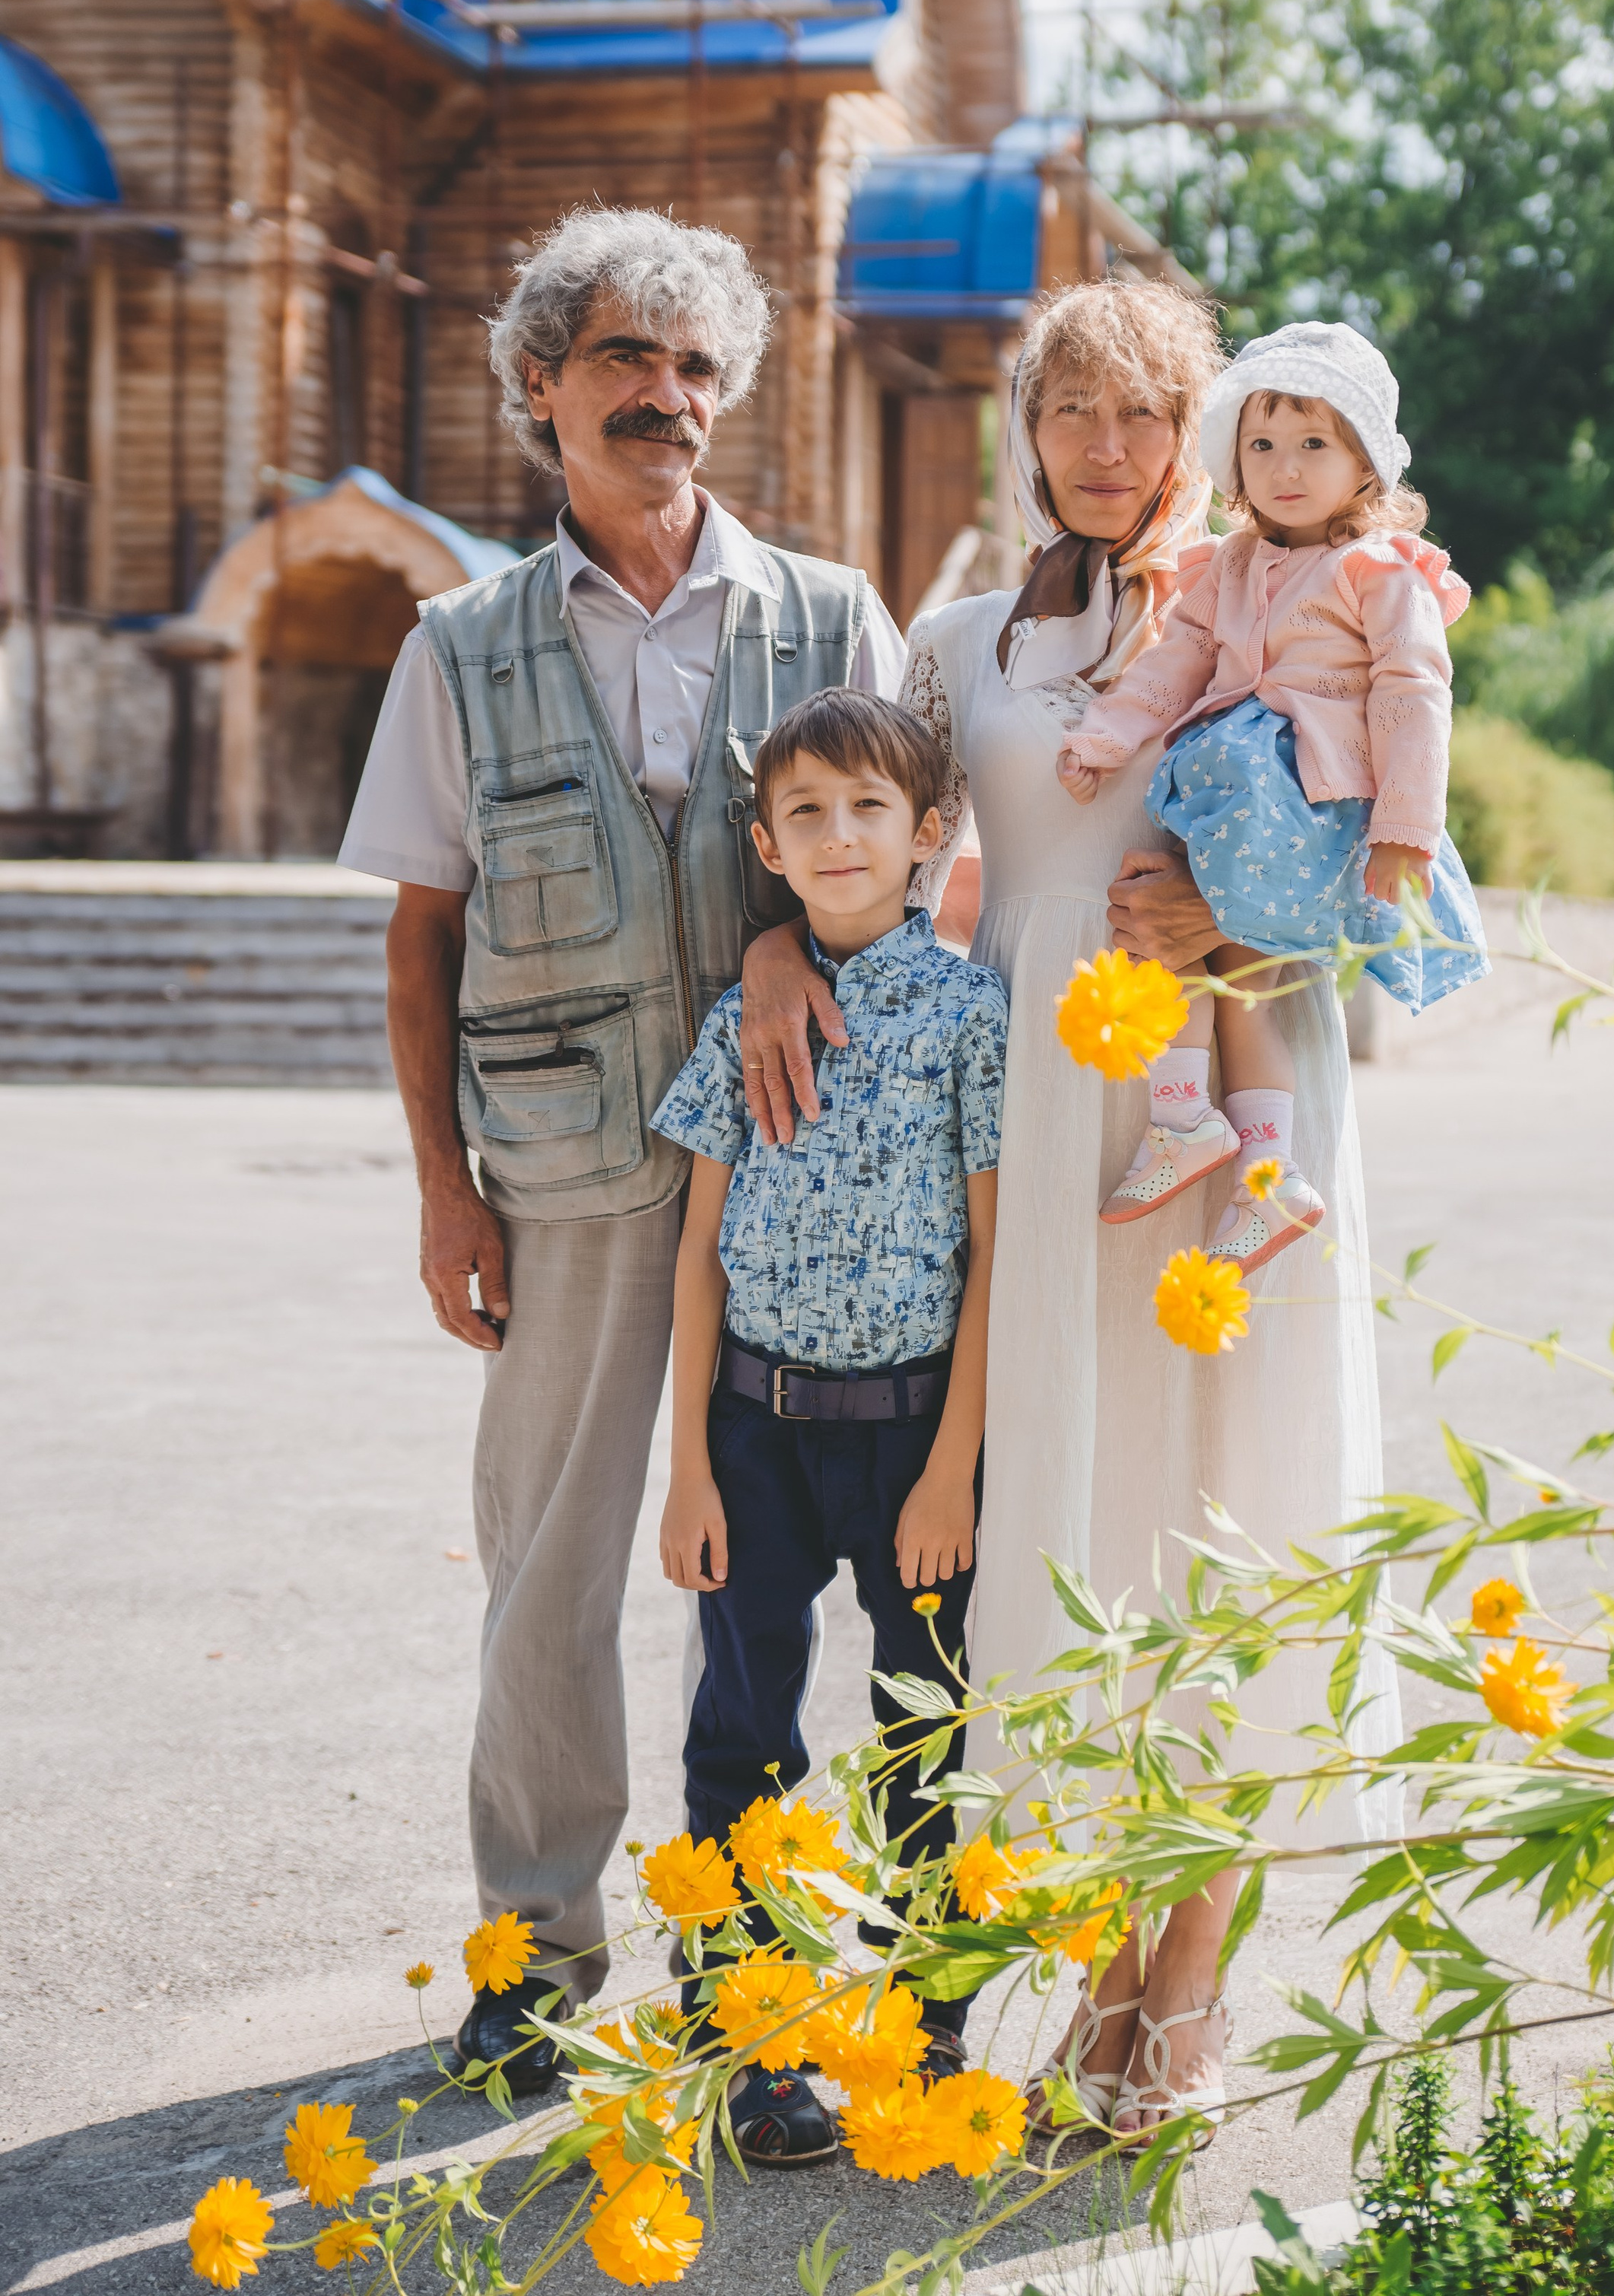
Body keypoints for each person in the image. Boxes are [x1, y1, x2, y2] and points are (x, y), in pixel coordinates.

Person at [736, 281, 1402, 2148]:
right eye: (1072, 411)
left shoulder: (1291, 599)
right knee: (1088, 1514)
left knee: (1222, 1495)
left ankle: (1176, 1979)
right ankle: (1100, 1950)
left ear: (1205, 426)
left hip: (1231, 1077)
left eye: (1146, 413)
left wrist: (1232, 926)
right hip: (1037, 1109)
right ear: (1023, 427)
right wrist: (781, 941)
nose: (1107, 448)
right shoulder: (959, 642)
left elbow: (1377, 865)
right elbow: (865, 838)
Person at [338, 206, 905, 2097]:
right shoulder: (456, 643)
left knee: (765, 1578)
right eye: (620, 361)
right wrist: (441, 1185)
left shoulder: (832, 614)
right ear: (538, 390)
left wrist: (775, 938)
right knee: (553, 1567)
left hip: (806, 1168)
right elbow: (421, 925)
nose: (662, 396)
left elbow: (901, 879)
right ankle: (539, 1949)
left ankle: (748, 1955)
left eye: (692, 366)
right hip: (565, 1177)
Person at [652, 688, 1006, 2164]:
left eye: (869, 809)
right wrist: (685, 1470)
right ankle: (753, 2033)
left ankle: (922, 2031)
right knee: (742, 1734)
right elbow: (695, 1250)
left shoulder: (968, 1013)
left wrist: (948, 1471)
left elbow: (992, 1256)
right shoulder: (746, 1016)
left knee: (920, 1731)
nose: (839, 836)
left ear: (928, 834)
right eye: (805, 813)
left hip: (909, 1441)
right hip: (754, 1432)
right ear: (767, 846)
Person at [1057, 324, 1489, 1277]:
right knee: (1208, 947)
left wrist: (1405, 830)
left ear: (1363, 464)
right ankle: (1242, 1153)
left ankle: (1212, 1135)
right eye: (1260, 446)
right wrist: (1107, 734)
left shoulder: (1378, 571)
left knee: (1218, 943)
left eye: (1313, 445)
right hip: (1234, 799)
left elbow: (1414, 695)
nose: (1283, 469)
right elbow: (1172, 665)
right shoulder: (1230, 564)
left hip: (1314, 796)